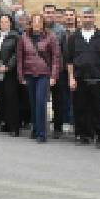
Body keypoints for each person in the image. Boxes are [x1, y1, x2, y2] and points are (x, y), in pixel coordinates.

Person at [65, 7, 100, 148]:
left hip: (97, 79)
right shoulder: (73, 37)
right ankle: (82, 135)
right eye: (85, 17)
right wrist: (71, 78)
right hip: (79, 78)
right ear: (80, 18)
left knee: (98, 109)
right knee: (79, 108)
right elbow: (69, 60)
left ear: (94, 18)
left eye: (90, 17)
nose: (88, 19)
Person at [16, 13, 61, 143]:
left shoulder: (50, 37)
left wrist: (53, 75)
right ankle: (35, 128)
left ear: (43, 24)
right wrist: (21, 75)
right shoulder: (24, 37)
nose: (36, 23)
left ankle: (42, 133)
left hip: (44, 74)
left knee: (41, 102)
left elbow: (56, 57)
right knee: (33, 103)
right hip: (29, 73)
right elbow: (20, 58)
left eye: (39, 21)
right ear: (30, 23)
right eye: (34, 21)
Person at [42, 4, 69, 137]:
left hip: (57, 70)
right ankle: (41, 126)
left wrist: (62, 69)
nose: (49, 15)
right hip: (40, 69)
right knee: (40, 99)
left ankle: (57, 127)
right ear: (43, 14)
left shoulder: (61, 30)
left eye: (52, 12)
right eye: (47, 12)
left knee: (58, 100)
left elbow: (65, 51)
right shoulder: (37, 28)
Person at [0, 13, 22, 135]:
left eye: (6, 22)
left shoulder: (15, 36)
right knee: (2, 97)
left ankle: (14, 127)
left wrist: (8, 66)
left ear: (10, 23)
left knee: (12, 98)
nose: (3, 24)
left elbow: (16, 54)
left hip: (10, 72)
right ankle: (6, 122)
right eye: (1, 22)